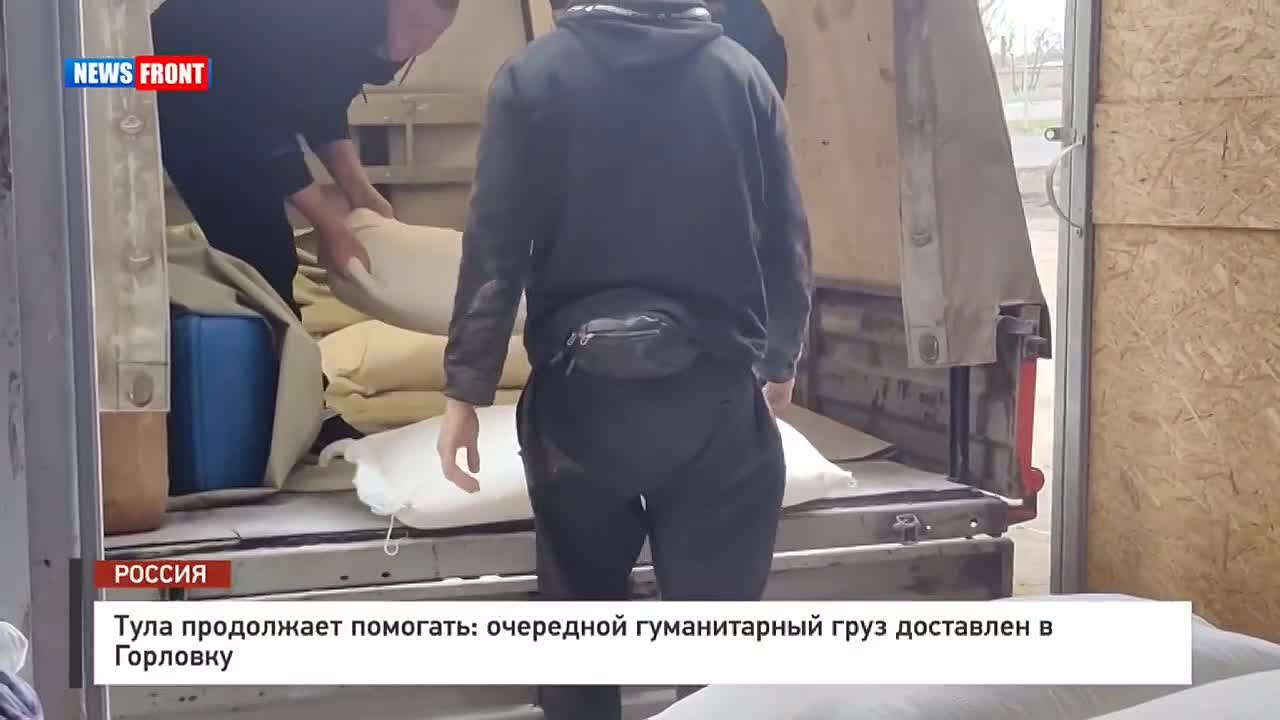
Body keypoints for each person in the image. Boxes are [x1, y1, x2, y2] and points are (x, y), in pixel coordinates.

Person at [436, 2, 812, 718]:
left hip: (577, 405)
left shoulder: (531, 77)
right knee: (717, 643)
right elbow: (784, 236)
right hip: (713, 398)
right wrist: (781, 357)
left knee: (579, 626)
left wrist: (465, 391)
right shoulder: (742, 77)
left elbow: (495, 244)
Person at [150, 0, 459, 447]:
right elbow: (259, 125)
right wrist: (330, 225)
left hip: (224, 83)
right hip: (167, 70)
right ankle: (292, 413)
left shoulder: (366, 37)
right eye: (414, 25)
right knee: (262, 253)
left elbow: (321, 107)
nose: (419, 43)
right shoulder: (320, 16)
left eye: (433, 35)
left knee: (264, 250)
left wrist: (361, 192)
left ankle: (292, 406)